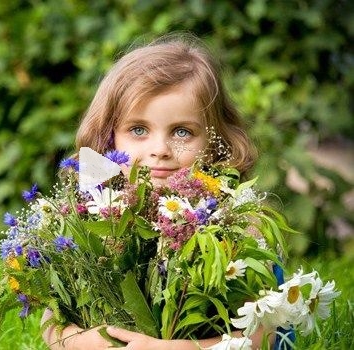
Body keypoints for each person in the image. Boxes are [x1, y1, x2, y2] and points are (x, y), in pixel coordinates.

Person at [41, 33, 292, 349]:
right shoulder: (92, 214)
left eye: (182, 132)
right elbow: (52, 318)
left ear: (216, 143)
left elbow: (267, 335)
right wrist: (77, 341)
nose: (159, 149)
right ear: (109, 137)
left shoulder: (238, 223)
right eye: (138, 130)